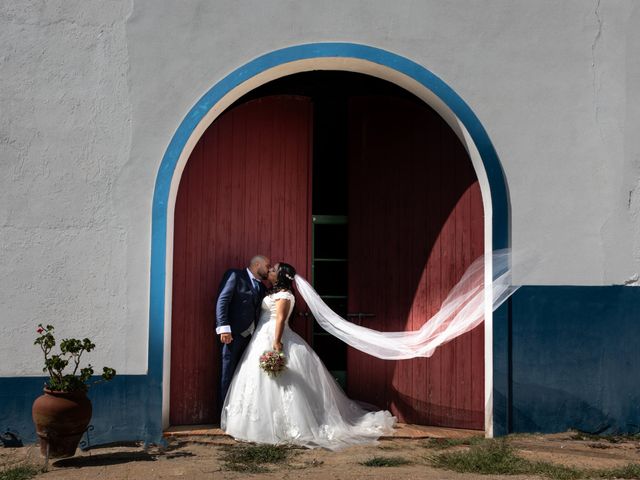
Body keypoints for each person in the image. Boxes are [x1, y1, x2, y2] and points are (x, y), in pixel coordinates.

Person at [221, 262, 396, 450]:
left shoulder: (285, 295)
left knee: (279, 382)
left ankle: (282, 427)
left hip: (273, 336)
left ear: (280, 276)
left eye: (273, 270)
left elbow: (280, 318)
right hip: (261, 335)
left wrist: (277, 342)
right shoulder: (271, 291)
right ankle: (254, 424)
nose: (270, 271)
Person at [215, 255, 271, 414]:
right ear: (257, 264)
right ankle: (223, 415)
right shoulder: (235, 275)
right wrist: (224, 328)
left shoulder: (262, 287)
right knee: (227, 372)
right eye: (267, 265)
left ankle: (240, 414)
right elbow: (222, 301)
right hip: (232, 335)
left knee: (245, 376)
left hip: (252, 338)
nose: (268, 269)